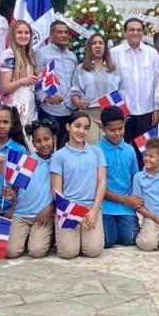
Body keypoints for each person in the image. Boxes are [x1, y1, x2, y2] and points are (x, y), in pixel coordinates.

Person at [50, 111, 107, 259]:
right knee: (68, 253)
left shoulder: (97, 152)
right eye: (77, 126)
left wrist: (94, 210)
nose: (82, 131)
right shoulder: (59, 156)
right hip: (67, 209)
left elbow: (102, 182)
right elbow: (57, 190)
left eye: (86, 127)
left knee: (93, 251)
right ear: (68, 126)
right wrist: (72, 213)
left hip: (90, 208)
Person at [5, 119, 56, 258]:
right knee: (11, 251)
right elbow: (15, 190)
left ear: (53, 138)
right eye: (38, 141)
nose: (44, 144)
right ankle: (27, 237)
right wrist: (11, 205)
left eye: (47, 139)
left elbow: (62, 191)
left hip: (42, 216)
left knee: (36, 251)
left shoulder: (58, 161)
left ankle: (48, 237)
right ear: (33, 143)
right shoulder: (25, 161)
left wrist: (50, 208)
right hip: (21, 214)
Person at [112, 18, 159, 163]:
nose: (135, 33)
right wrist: (118, 110)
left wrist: (157, 108)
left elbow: (157, 83)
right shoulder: (114, 53)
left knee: (146, 152)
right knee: (123, 151)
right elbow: (112, 84)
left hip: (147, 112)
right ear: (125, 32)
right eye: (131, 30)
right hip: (124, 113)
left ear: (143, 33)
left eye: (139, 30)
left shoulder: (152, 53)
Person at [98, 106, 140, 248]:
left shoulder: (129, 149)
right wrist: (125, 199)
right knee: (107, 241)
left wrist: (135, 201)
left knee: (130, 239)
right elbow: (98, 186)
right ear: (103, 128)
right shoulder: (96, 151)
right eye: (111, 130)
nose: (117, 133)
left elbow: (135, 177)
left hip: (126, 207)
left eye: (120, 128)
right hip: (105, 206)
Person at [70, 33, 123, 143]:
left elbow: (122, 92)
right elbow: (75, 90)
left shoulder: (115, 68)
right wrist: (77, 101)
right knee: (92, 148)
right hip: (90, 114)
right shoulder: (81, 69)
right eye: (94, 43)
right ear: (89, 47)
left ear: (105, 47)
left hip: (110, 117)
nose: (97, 46)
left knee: (109, 150)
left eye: (100, 43)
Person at [35, 20, 78, 144]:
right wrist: (46, 98)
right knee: (49, 146)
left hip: (70, 109)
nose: (64, 35)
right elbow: (37, 81)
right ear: (50, 34)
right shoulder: (41, 53)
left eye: (66, 32)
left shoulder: (72, 56)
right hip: (50, 110)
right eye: (60, 32)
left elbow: (75, 81)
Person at [0, 20, 38, 132]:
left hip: (30, 106)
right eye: (19, 32)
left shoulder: (29, 55)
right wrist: (23, 81)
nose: (23, 36)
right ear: (13, 35)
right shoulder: (8, 54)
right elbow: (5, 87)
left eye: (27, 32)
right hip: (15, 107)